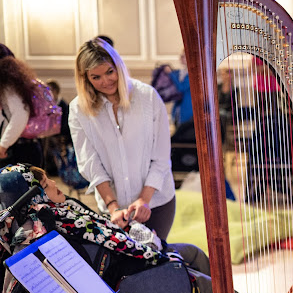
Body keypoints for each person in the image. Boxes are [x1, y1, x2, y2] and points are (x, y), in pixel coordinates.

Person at [0, 163, 270, 293]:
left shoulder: (49, 221)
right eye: (46, 185)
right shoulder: (61, 221)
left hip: (123, 272)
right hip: (124, 285)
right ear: (34, 197)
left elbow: (109, 239)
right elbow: (119, 246)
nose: (55, 184)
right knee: (190, 273)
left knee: (193, 252)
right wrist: (157, 253)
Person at [69, 38, 176, 240]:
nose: (106, 81)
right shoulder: (77, 110)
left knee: (156, 265)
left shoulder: (148, 97)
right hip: (113, 209)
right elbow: (90, 164)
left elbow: (161, 156)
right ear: (85, 78)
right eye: (96, 77)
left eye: (110, 72)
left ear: (118, 66)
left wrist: (144, 199)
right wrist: (113, 206)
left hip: (157, 203)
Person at [0, 43, 44, 168]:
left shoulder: (9, 85)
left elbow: (20, 114)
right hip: (25, 147)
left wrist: (3, 145)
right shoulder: (15, 83)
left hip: (20, 149)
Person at [167, 50, 193, 127]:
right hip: (178, 108)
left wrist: (170, 74)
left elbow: (181, 88)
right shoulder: (180, 72)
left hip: (187, 109)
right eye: (181, 56)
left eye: (183, 56)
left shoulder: (192, 73)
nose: (180, 58)